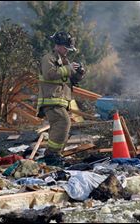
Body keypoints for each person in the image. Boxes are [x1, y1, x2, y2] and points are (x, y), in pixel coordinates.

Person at [37, 31, 86, 164]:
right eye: (66, 48)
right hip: (51, 100)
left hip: (60, 101)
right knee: (64, 122)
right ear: (58, 46)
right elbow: (49, 74)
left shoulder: (64, 61)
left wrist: (79, 73)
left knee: (59, 126)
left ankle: (54, 155)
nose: (67, 51)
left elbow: (71, 80)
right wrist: (68, 68)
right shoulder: (48, 58)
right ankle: (52, 155)